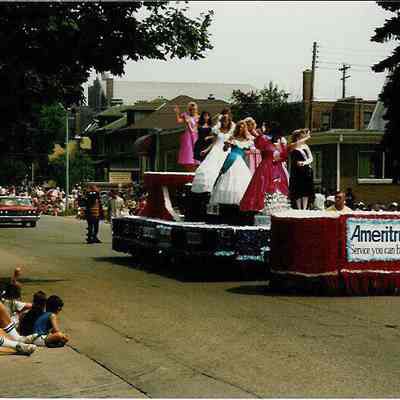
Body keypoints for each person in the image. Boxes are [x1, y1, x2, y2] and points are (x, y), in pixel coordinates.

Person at [240, 122, 290, 214]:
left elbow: (284, 156)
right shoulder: (264, 139)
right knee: (263, 185)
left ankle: (275, 205)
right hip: (266, 167)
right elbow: (258, 144)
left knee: (276, 185)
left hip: (277, 167)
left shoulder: (280, 143)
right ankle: (262, 206)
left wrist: (279, 157)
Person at [210, 120, 253, 207]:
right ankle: (226, 203)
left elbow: (248, 152)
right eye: (239, 126)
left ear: (244, 128)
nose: (240, 128)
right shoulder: (232, 138)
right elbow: (225, 149)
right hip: (231, 159)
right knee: (227, 179)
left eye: (242, 127)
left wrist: (247, 152)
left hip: (240, 161)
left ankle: (240, 202)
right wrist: (226, 145)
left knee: (241, 181)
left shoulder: (248, 139)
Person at [191, 113, 235, 195]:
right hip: (215, 150)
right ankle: (207, 187)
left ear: (229, 121)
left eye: (227, 120)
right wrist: (206, 150)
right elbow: (214, 142)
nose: (225, 122)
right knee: (207, 168)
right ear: (221, 121)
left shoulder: (232, 131)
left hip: (225, 151)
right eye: (223, 120)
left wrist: (229, 145)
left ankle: (218, 187)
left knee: (220, 169)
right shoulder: (217, 130)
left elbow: (232, 142)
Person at [289, 129, 314, 210]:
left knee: (305, 190)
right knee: (298, 191)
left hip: (305, 170)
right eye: (301, 135)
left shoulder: (305, 146)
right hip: (296, 171)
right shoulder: (293, 145)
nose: (303, 137)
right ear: (297, 137)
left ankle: (305, 208)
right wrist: (307, 136)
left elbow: (311, 158)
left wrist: (305, 163)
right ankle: (299, 208)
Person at [174, 102, 200, 172]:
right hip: (188, 136)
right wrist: (177, 113)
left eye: (194, 109)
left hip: (196, 135)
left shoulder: (198, 117)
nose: (192, 111)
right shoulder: (186, 115)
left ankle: (195, 171)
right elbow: (179, 121)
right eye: (191, 109)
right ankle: (189, 171)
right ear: (189, 109)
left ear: (196, 109)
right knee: (188, 153)